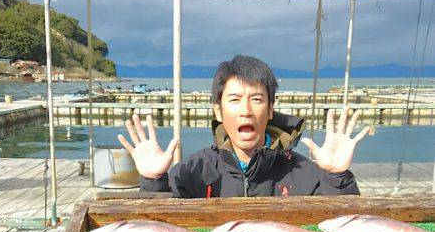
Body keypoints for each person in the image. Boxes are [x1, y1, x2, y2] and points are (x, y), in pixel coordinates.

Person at [117, 55, 370, 198]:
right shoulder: (192, 172)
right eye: (234, 100)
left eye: (257, 99)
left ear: (271, 109)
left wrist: (337, 176)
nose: (246, 110)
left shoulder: (305, 173)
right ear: (218, 109)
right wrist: (152, 180)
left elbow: (342, 228)